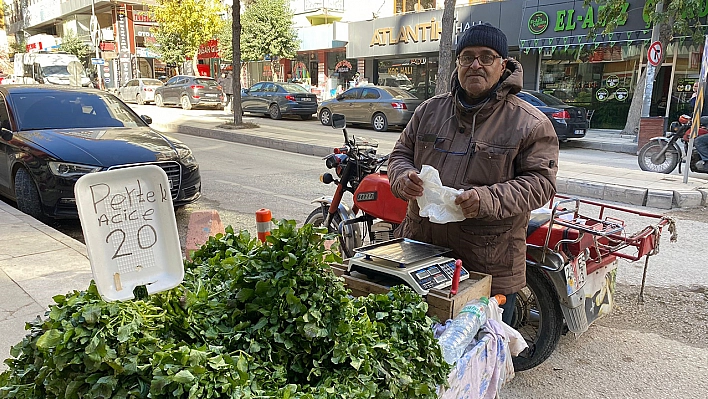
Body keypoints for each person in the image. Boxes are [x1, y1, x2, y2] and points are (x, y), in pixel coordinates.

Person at [387, 23, 559, 325]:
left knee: (480, 360)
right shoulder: (429, 111)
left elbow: (541, 184)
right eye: (467, 57)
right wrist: (403, 178)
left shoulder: (530, 122)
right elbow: (400, 154)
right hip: (422, 255)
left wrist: (486, 199)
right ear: (458, 63)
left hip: (487, 264)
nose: (475, 64)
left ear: (503, 65)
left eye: (486, 57)